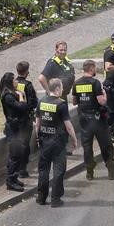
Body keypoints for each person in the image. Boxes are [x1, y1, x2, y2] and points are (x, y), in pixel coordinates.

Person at [72, 59, 114, 181]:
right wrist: (105, 94)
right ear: (91, 69)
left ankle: (89, 173)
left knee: (87, 146)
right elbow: (101, 101)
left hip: (84, 120)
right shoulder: (95, 83)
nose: (95, 70)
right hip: (97, 119)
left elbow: (74, 101)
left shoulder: (77, 83)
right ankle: (112, 172)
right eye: (95, 68)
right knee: (106, 145)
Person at [35, 78, 78, 207]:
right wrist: (75, 139)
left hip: (44, 141)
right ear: (57, 89)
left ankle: (41, 198)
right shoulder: (61, 104)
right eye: (62, 87)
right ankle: (55, 199)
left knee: (43, 170)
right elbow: (68, 125)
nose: (63, 90)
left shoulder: (41, 101)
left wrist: (38, 138)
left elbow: (37, 123)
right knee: (59, 171)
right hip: (58, 143)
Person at [0, 72, 31, 191]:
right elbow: (22, 107)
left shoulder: (11, 94)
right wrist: (22, 96)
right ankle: (10, 181)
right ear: (10, 82)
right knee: (15, 155)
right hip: (12, 129)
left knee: (18, 154)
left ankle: (14, 177)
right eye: (14, 80)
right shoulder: (8, 96)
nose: (16, 82)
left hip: (16, 127)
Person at [13, 61, 38, 177]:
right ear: (27, 72)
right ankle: (22, 169)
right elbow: (34, 102)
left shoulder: (13, 84)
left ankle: (16, 167)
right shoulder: (28, 85)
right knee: (25, 144)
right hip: (25, 118)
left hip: (14, 117)